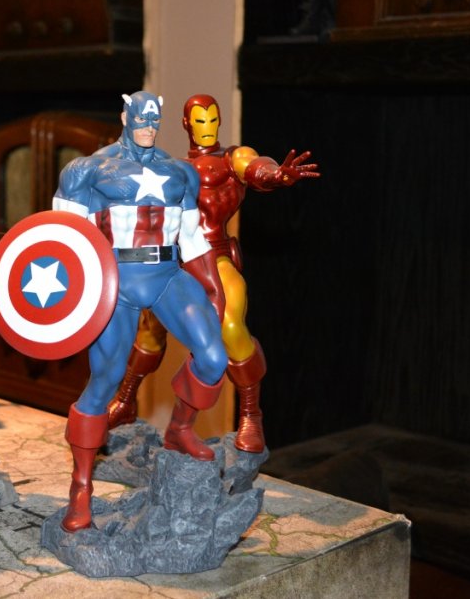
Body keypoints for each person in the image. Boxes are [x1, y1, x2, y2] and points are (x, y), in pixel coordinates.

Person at [52, 91, 228, 532]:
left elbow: (192, 238)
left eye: (154, 120)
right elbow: (63, 237)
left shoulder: (179, 172)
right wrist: (71, 298)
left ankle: (180, 429)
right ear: (125, 116)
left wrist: (213, 288)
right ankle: (81, 485)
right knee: (105, 380)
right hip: (115, 278)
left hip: (167, 273)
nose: (148, 127)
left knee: (213, 357)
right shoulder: (88, 170)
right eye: (141, 119)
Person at [108, 94, 319, 454]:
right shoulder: (171, 168)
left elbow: (255, 168)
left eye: (212, 119)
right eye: (199, 120)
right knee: (149, 330)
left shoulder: (232, 158)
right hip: (175, 260)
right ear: (187, 124)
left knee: (231, 326)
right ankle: (127, 399)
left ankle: (251, 414)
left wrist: (276, 176)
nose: (207, 127)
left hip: (216, 255)